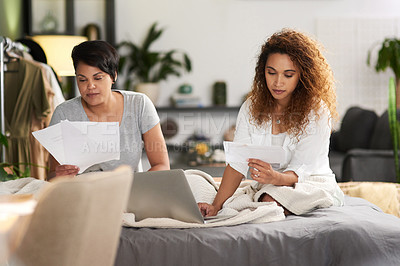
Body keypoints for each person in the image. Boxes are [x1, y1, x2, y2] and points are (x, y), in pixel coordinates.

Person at [198, 29, 344, 217]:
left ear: (302, 75)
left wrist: (275, 177)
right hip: (268, 186)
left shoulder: (316, 111)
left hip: (310, 185)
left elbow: (302, 170)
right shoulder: (251, 106)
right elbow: (237, 164)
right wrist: (216, 206)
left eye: (288, 75)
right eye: (271, 72)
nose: (277, 82)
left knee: (269, 200)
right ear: (262, 72)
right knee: (194, 181)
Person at [47, 40, 170, 179]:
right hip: (83, 193)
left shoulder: (139, 104)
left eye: (98, 78)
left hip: (129, 190)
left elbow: (161, 165)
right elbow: (52, 175)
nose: (90, 86)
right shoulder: (64, 113)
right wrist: (59, 175)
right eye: (82, 80)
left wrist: (136, 188)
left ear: (113, 76)